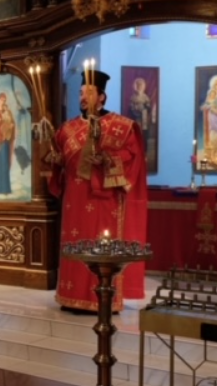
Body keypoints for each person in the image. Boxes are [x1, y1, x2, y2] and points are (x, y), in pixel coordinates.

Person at [48, 70, 147, 313]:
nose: (83, 97)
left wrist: (106, 159)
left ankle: (102, 298)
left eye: (89, 93)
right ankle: (72, 296)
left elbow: (132, 159)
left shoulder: (121, 127)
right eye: (81, 93)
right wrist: (53, 159)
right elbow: (58, 164)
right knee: (75, 243)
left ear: (102, 96)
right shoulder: (66, 129)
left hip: (105, 200)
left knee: (99, 244)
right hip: (74, 200)